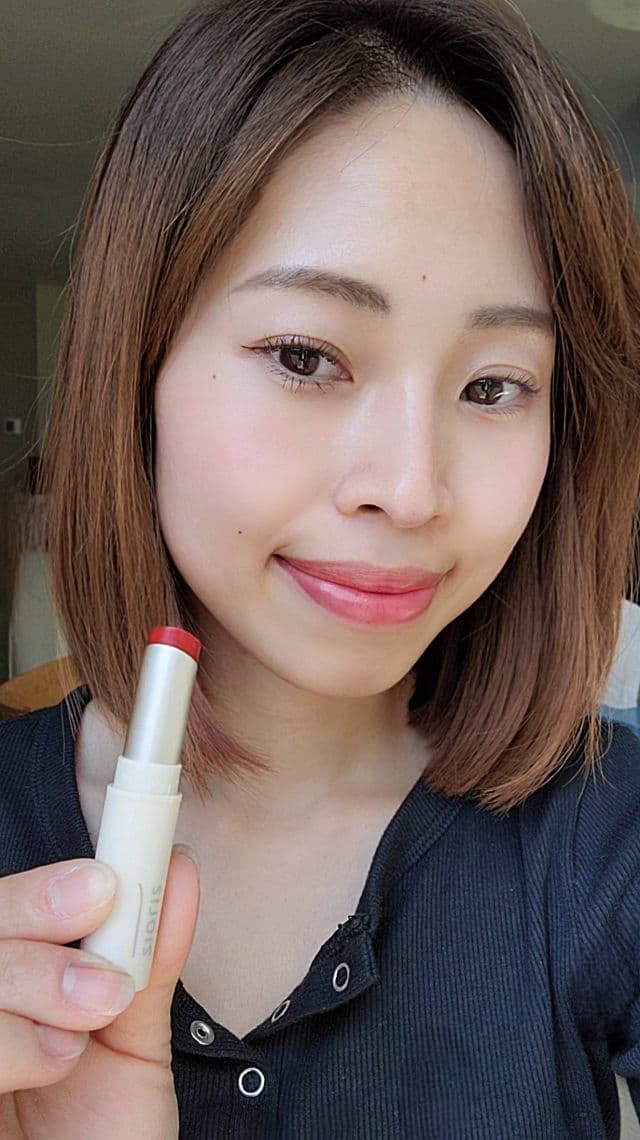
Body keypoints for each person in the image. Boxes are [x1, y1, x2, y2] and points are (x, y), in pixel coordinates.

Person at [1, 0, 639, 1135]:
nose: (411, 488)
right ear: (135, 369)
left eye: (494, 385)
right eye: (305, 356)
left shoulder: (605, 839)